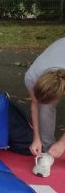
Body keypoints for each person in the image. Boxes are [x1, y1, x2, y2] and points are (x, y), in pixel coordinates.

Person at [25, 37, 65, 177]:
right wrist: (37, 138)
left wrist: (62, 142)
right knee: (44, 107)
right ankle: (47, 152)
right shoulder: (31, 77)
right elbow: (35, 104)